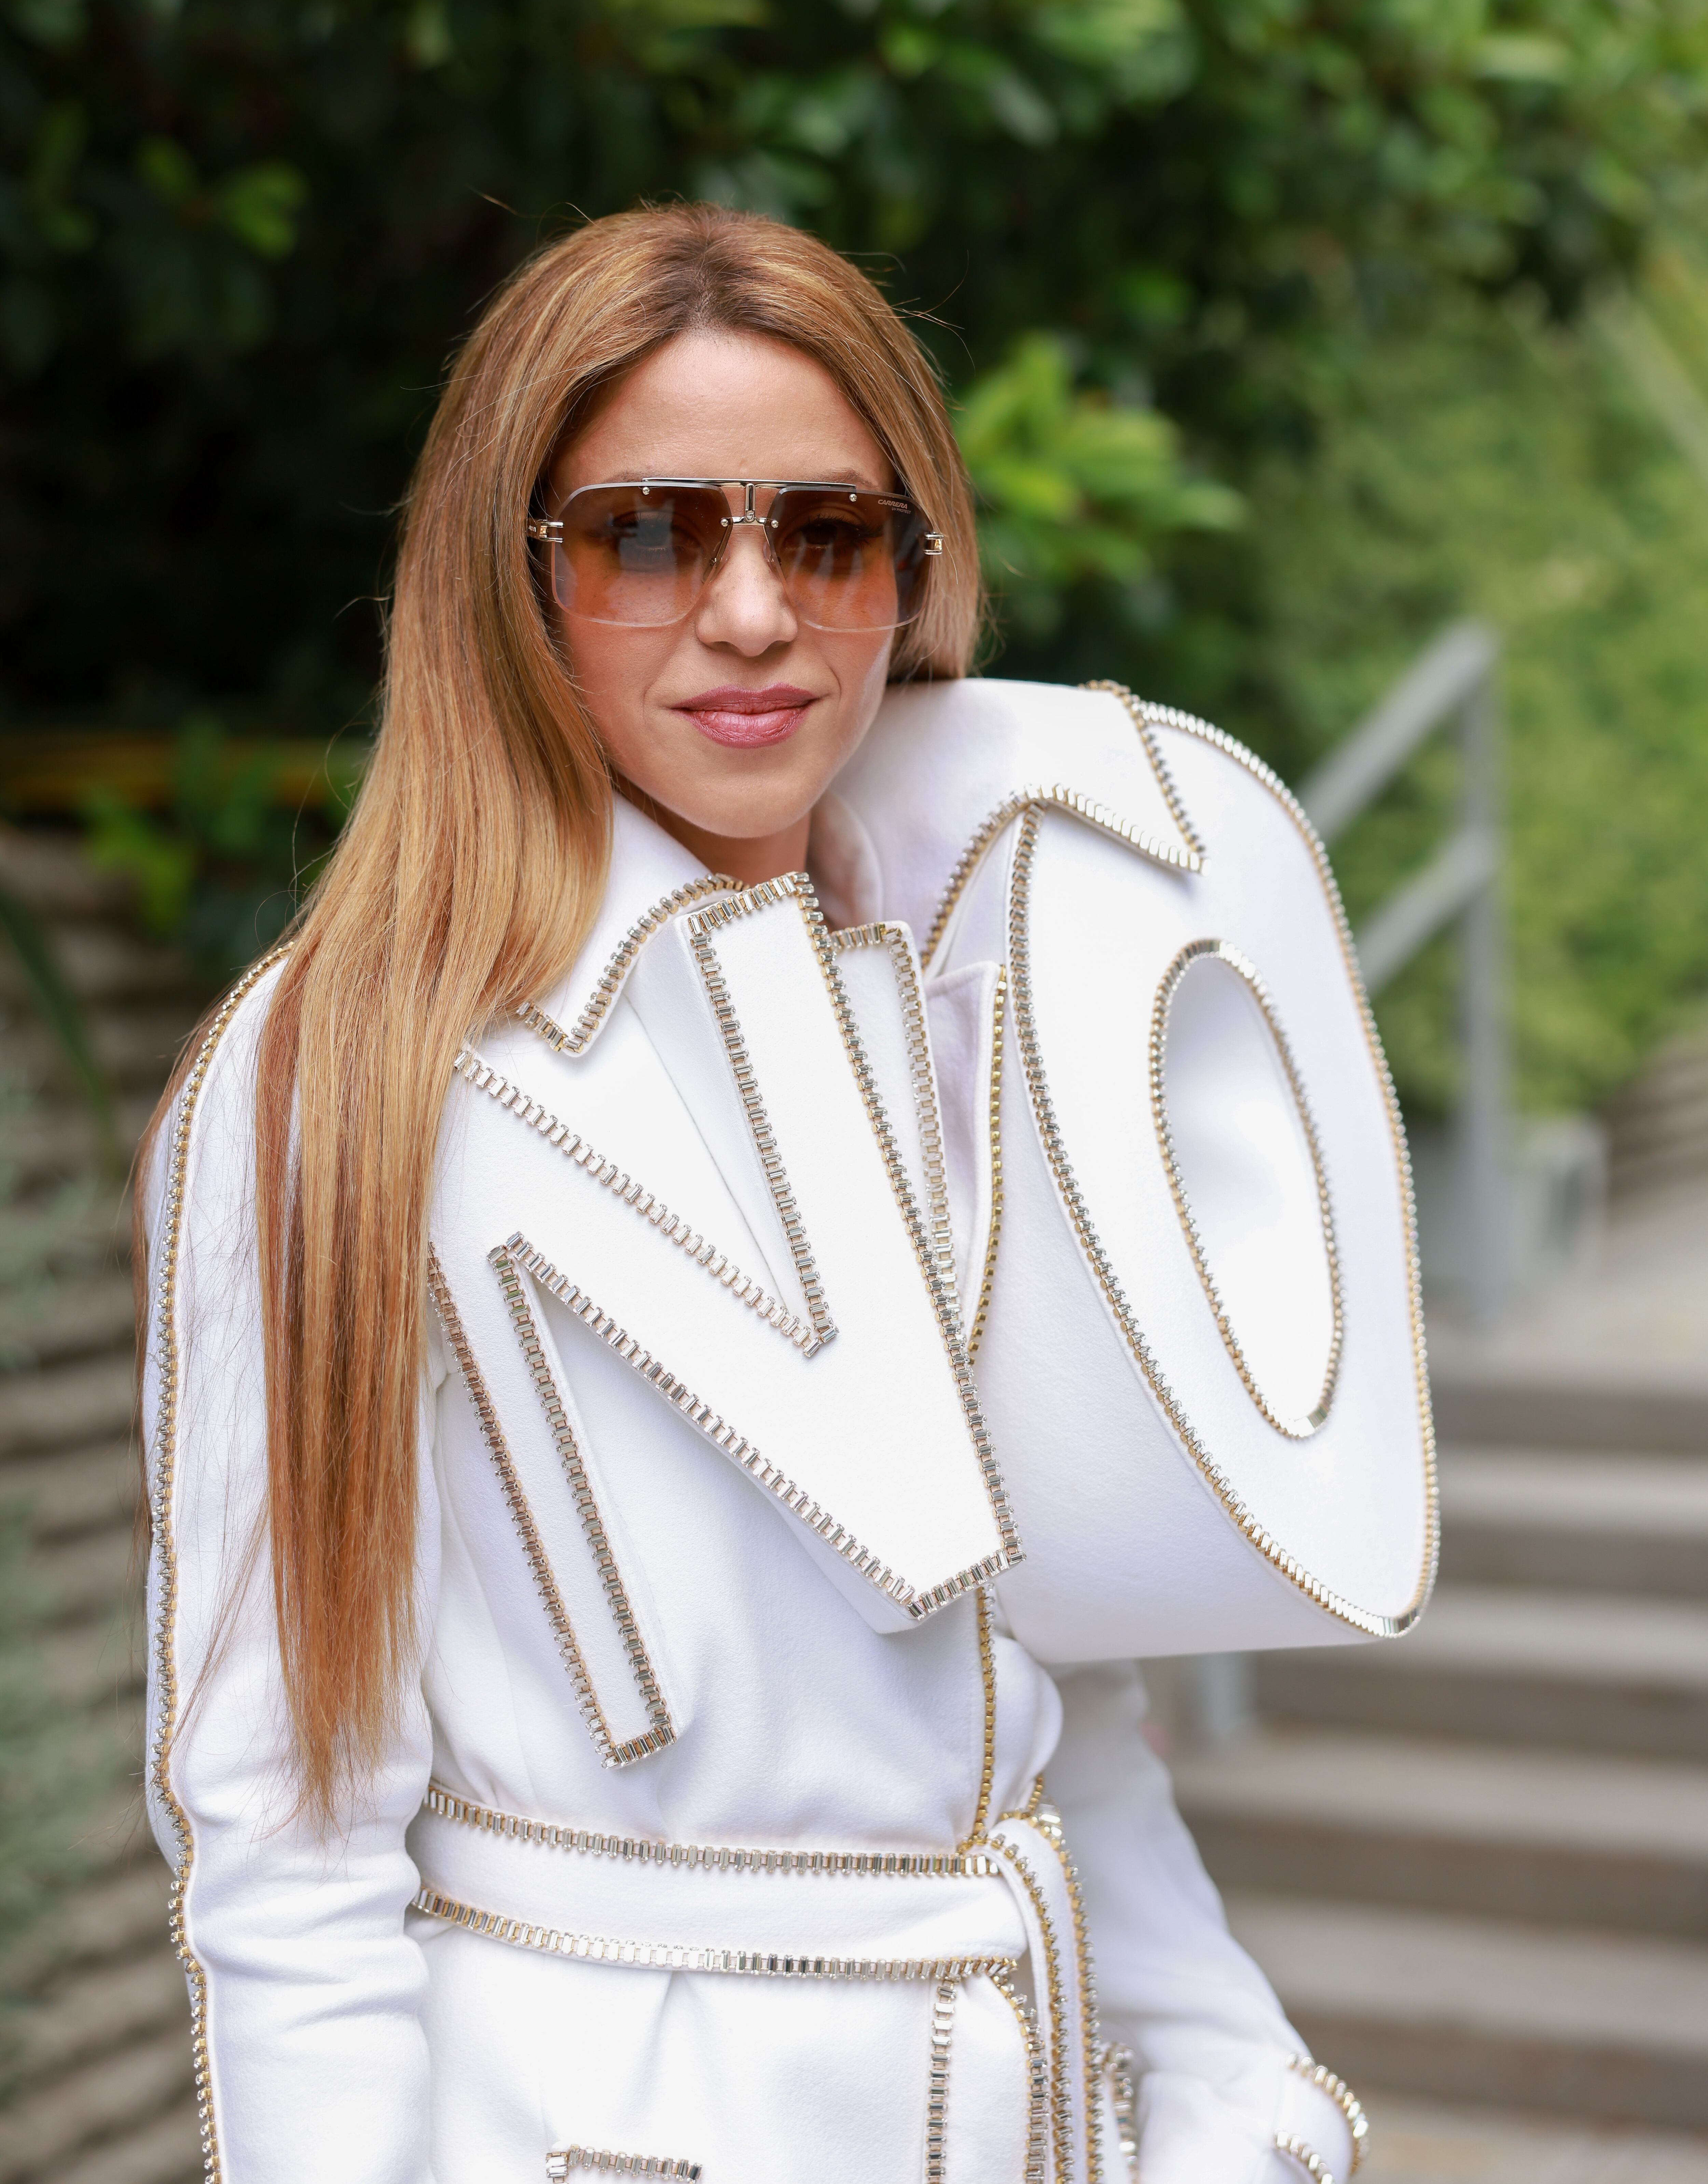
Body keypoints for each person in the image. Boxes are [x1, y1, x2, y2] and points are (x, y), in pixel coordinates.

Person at [139, 203, 1381, 2184]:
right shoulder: (344, 1066)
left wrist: (1239, 2083)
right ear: (514, 576)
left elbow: (1043, 1686)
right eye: (644, 535)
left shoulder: (986, 991)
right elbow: (290, 1838)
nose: (747, 610)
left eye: (825, 533)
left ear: (913, 568)